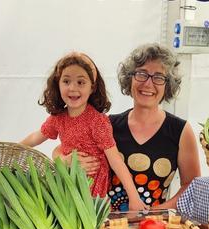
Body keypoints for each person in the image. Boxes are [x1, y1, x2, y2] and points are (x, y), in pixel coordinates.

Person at [56, 43, 201, 212]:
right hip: (106, 224)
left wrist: (153, 213)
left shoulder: (180, 131)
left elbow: (191, 186)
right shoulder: (108, 124)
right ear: (129, 78)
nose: (148, 84)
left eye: (159, 77)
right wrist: (63, 160)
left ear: (168, 85)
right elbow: (62, 148)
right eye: (141, 74)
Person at [21, 51, 147, 211]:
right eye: (66, 81)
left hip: (92, 190)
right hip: (67, 182)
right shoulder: (58, 118)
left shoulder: (97, 121)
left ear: (92, 87)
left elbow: (116, 162)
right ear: (57, 84)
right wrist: (13, 149)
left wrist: (134, 198)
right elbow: (35, 138)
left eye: (81, 82)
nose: (73, 88)